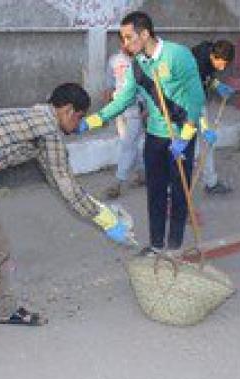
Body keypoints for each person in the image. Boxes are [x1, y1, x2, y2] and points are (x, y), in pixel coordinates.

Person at [0, 83, 133, 329]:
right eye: (79, 118)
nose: (78, 126)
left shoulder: (35, 115)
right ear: (68, 110)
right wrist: (106, 220)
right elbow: (67, 188)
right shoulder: (49, 133)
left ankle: (7, 310)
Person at [79, 11, 205, 252]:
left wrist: (186, 137)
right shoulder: (138, 65)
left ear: (145, 34)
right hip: (155, 137)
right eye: (123, 39)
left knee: (179, 194)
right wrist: (92, 121)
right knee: (155, 192)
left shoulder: (178, 55)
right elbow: (122, 100)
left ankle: (174, 247)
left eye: (129, 38)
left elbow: (196, 100)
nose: (125, 44)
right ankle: (157, 246)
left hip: (180, 136)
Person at [102, 34, 146, 199]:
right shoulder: (114, 60)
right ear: (122, 42)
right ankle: (144, 174)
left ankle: (117, 183)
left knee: (128, 145)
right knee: (130, 143)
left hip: (136, 110)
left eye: (132, 41)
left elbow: (149, 88)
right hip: (119, 110)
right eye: (126, 41)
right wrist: (107, 112)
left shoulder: (142, 62)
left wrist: (148, 109)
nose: (130, 44)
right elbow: (108, 85)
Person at [191, 39, 236, 194]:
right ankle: (173, 191)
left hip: (198, 100)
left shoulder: (211, 55)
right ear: (213, 56)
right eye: (222, 63)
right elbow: (194, 101)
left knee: (206, 145)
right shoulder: (197, 63)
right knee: (188, 147)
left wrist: (217, 86)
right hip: (185, 104)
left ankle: (211, 183)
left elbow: (207, 78)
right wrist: (203, 127)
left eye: (226, 64)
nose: (223, 68)